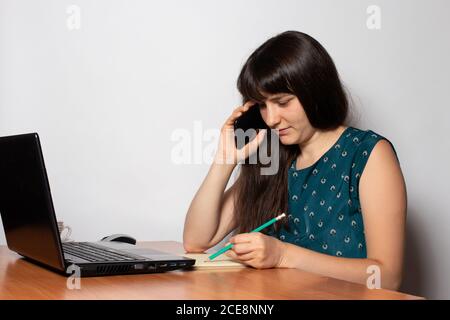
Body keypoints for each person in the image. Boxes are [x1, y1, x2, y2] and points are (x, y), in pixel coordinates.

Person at [183, 31, 407, 290]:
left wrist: (283, 255)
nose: (271, 119)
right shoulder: (272, 156)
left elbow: (387, 276)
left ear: (315, 92)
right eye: (262, 106)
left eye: (282, 102)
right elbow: (196, 241)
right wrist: (224, 160)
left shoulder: (368, 154)